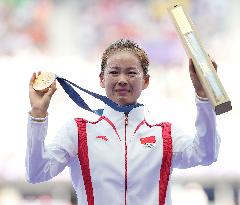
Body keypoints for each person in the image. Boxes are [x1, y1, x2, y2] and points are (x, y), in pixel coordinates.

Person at [26, 39, 220, 205]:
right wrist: (37, 115)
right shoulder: (79, 132)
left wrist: (204, 97)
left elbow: (206, 154)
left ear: (146, 81)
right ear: (102, 79)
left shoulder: (165, 134)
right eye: (114, 72)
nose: (122, 80)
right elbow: (36, 173)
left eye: (131, 73)